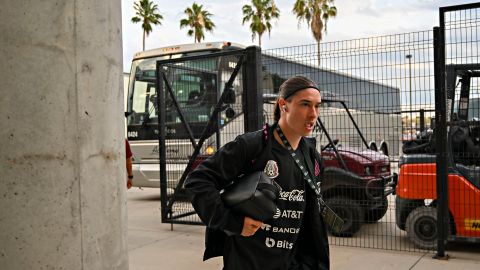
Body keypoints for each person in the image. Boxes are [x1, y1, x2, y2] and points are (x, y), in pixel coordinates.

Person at [184, 76, 330, 270]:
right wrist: (233, 223)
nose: (313, 114)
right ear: (283, 105)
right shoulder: (252, 146)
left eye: (317, 106)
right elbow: (197, 181)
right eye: (305, 105)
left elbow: (312, 222)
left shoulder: (312, 158)